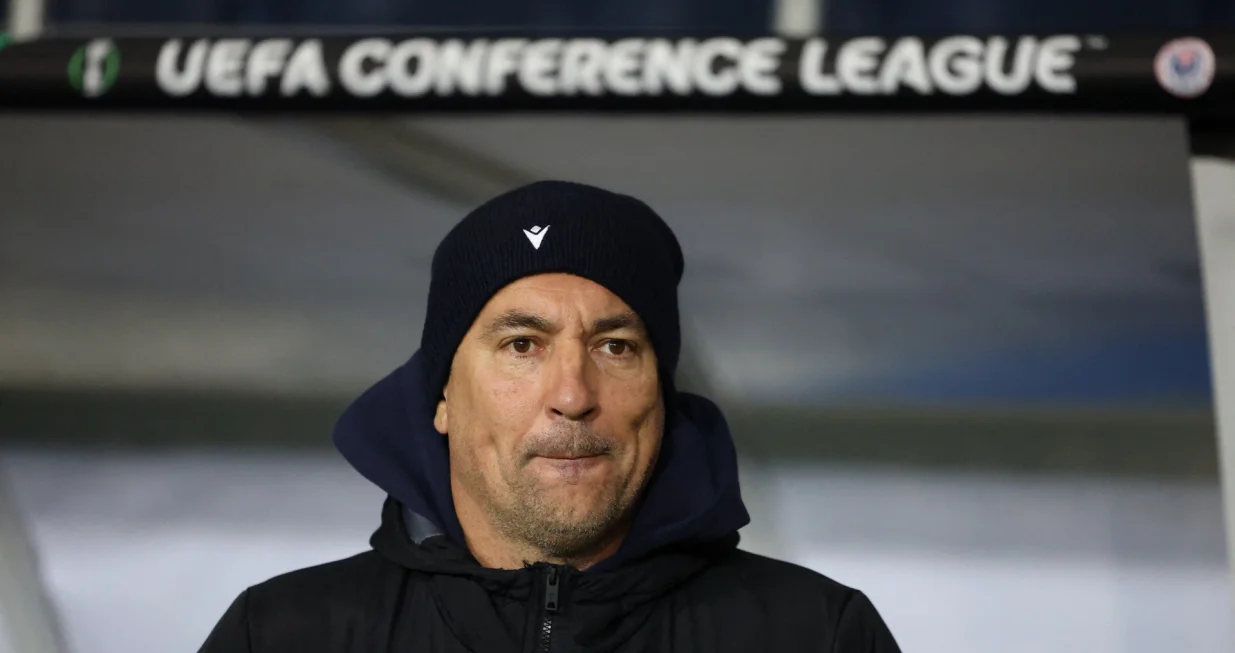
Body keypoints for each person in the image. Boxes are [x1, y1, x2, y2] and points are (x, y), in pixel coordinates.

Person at [198, 181, 901, 653]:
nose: (572, 393)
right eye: (522, 345)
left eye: (615, 346)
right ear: (440, 395)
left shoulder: (814, 635)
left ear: (661, 388)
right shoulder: (286, 634)